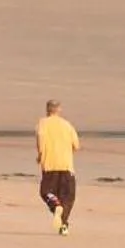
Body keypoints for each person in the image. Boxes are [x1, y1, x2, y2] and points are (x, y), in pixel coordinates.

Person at [36, 99, 80, 235]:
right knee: (68, 197)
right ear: (59, 110)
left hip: (49, 164)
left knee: (46, 192)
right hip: (66, 166)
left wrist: (40, 155)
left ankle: (56, 207)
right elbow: (76, 145)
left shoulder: (42, 124)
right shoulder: (67, 125)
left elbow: (41, 141)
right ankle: (64, 224)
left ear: (47, 110)